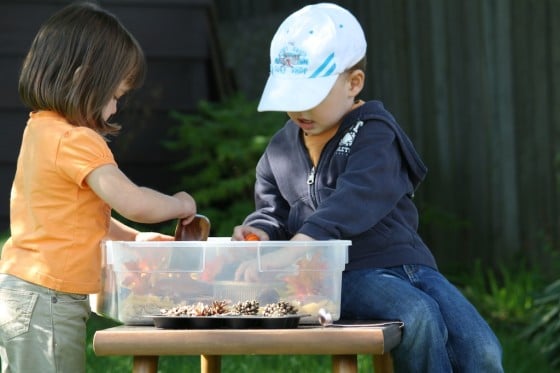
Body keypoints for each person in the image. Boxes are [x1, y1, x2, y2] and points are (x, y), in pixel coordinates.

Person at [232, 3, 504, 372]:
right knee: (416, 314)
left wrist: (306, 239)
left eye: (309, 94)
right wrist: (258, 234)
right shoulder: (280, 148)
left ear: (353, 84)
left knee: (482, 347)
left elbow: (359, 195)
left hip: (412, 265)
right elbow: (272, 211)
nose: (298, 109)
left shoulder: (375, 132)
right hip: (342, 275)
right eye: (289, 96)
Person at [0, 2, 197, 372]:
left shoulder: (40, 130)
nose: (115, 108)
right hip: (48, 298)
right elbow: (133, 201)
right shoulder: (77, 140)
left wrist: (134, 239)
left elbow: (77, 218)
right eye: (116, 96)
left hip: (28, 292)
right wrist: (178, 204)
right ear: (84, 78)